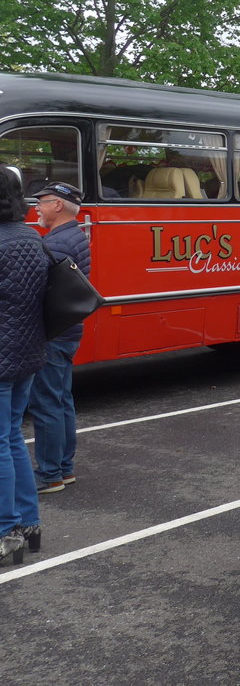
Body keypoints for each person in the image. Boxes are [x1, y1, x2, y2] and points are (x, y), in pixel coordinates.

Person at [29, 181, 91, 495]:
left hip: (53, 333)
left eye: (41, 202)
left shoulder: (56, 243)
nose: (36, 208)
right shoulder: (73, 236)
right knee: (62, 401)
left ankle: (50, 474)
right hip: (68, 331)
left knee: (46, 405)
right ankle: (64, 469)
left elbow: (38, 292)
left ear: (58, 206)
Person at [0, 167, 47, 565]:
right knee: (12, 437)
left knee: (1, 441)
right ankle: (28, 524)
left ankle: (5, 530)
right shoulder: (30, 237)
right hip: (27, 352)